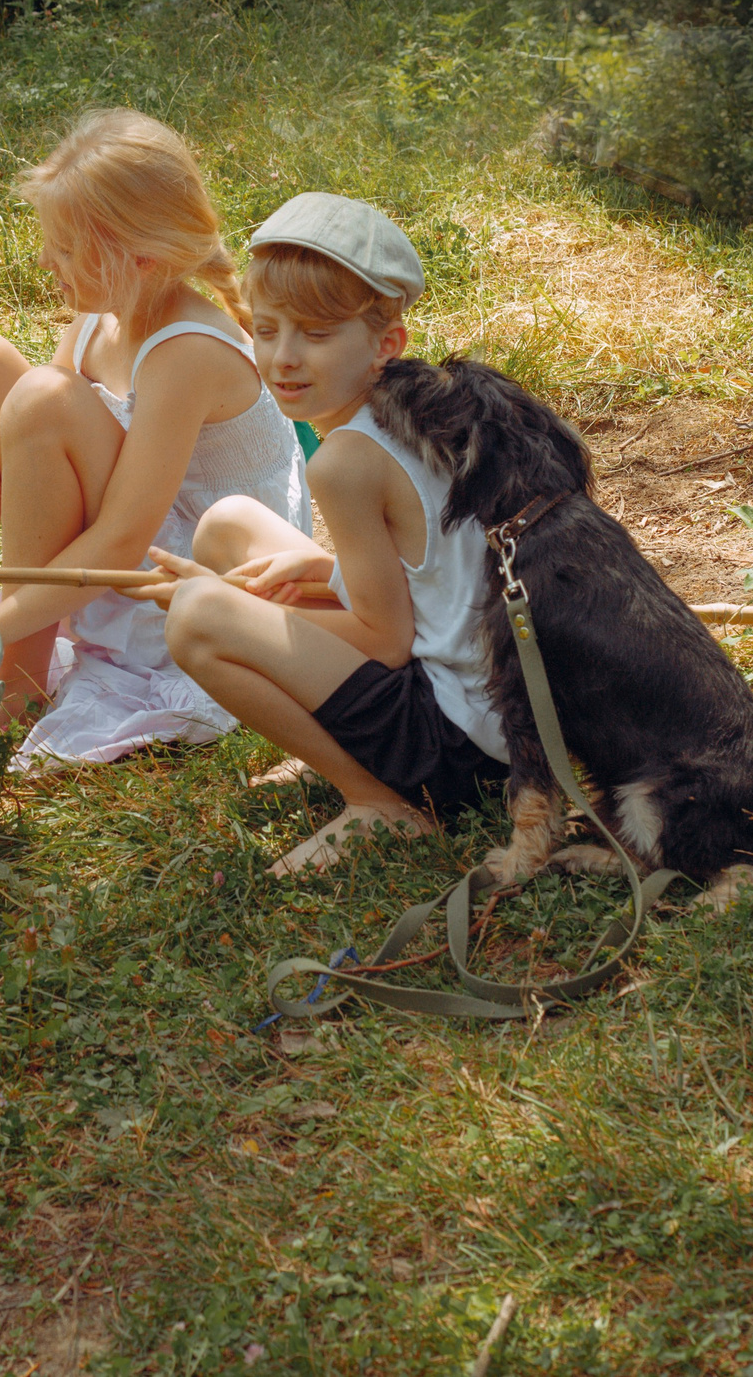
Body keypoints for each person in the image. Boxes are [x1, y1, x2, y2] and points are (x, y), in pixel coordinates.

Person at [0, 109, 308, 763]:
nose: (44, 260)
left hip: (184, 584)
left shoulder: (186, 353)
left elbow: (119, 541)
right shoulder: (96, 320)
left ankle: (6, 683)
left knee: (41, 398)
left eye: (65, 247)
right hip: (114, 548)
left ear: (137, 258)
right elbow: (27, 458)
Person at [139, 194, 509, 876]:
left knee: (197, 617)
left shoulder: (344, 460)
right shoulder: (405, 406)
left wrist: (240, 609)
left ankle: (382, 803)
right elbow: (421, 583)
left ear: (384, 344)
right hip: (479, 701)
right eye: (267, 328)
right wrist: (324, 575)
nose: (283, 357)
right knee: (228, 524)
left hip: (460, 747)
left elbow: (386, 641)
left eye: (315, 333)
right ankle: (339, 745)